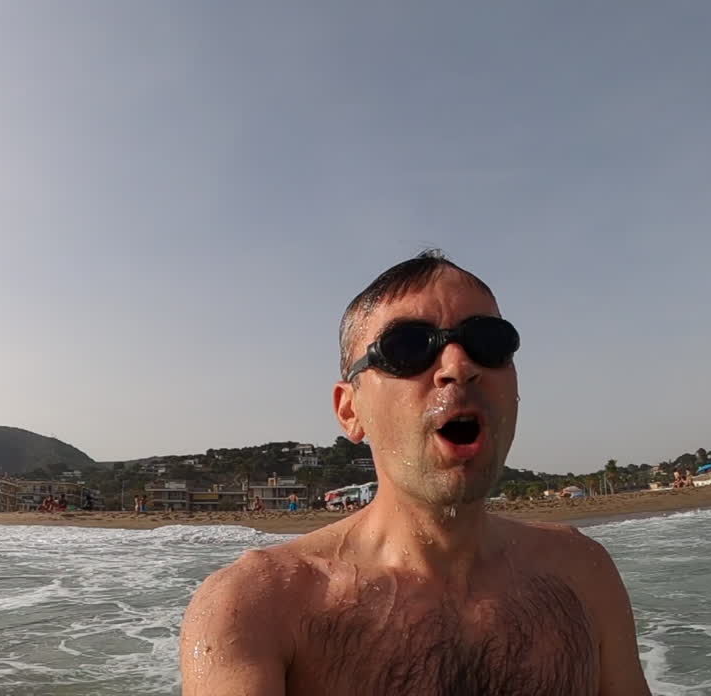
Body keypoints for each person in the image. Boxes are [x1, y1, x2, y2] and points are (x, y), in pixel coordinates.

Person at [180, 250, 650, 695]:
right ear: (349, 410)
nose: (458, 366)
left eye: (488, 342)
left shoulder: (584, 574)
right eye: (406, 348)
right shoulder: (255, 607)